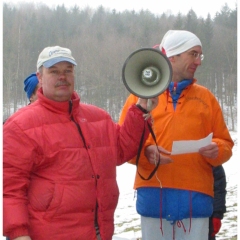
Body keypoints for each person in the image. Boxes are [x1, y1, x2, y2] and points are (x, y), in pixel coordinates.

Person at [3, 45, 158, 240]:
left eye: (68, 70)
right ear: (40, 77)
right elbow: (9, 189)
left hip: (100, 231)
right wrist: (18, 234)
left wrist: (141, 109)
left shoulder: (98, 117)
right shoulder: (20, 126)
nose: (63, 76)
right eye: (54, 71)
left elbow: (121, 149)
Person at [119, 30, 234, 240]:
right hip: (153, 199)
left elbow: (226, 143)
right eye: (193, 54)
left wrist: (217, 149)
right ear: (173, 56)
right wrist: (145, 152)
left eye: (200, 55)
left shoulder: (206, 98)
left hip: (196, 201)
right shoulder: (140, 94)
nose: (198, 61)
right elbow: (122, 145)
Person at [209, 166, 227, 239]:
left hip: (206, 215)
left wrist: (217, 214)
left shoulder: (210, 158)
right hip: (174, 216)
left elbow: (218, 188)